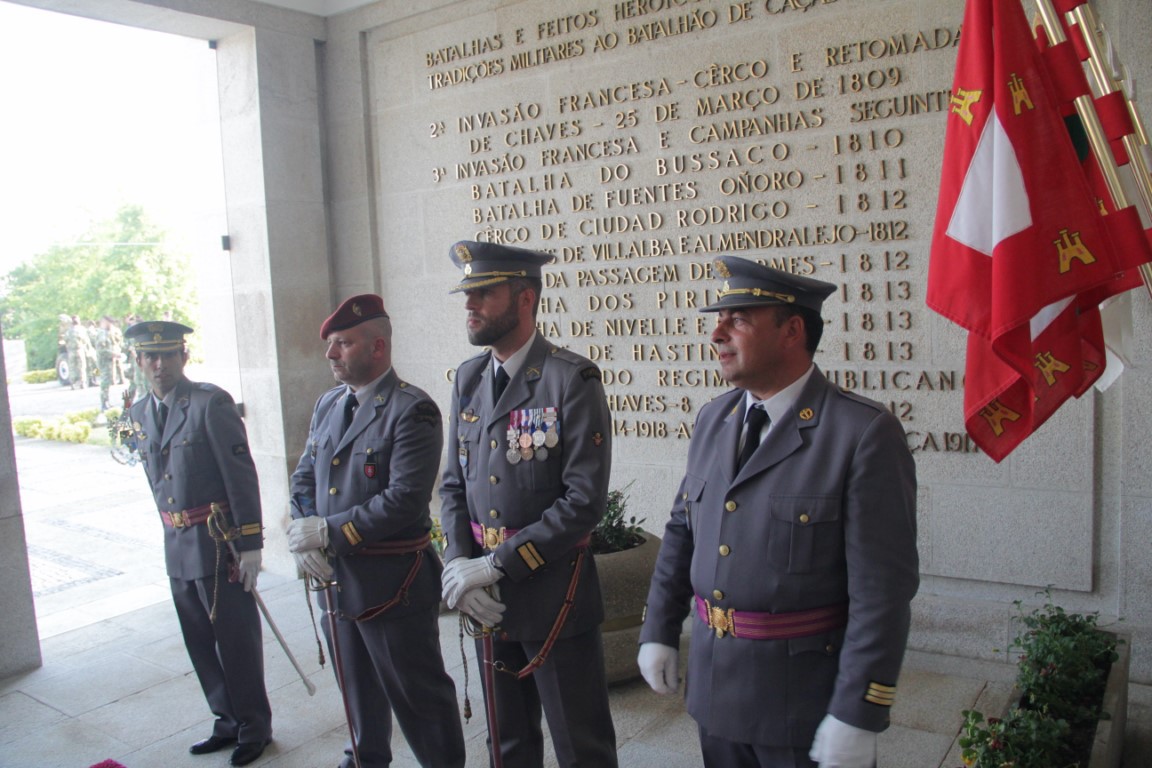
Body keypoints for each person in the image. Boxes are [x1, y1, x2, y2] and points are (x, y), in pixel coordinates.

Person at [637, 256, 919, 768]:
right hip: (715, 689)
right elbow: (682, 533)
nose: (717, 334)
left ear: (792, 330)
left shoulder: (860, 434)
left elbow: (883, 591)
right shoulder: (713, 418)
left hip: (802, 702)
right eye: (718, 321)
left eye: (739, 319)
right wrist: (658, 628)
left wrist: (859, 709)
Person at [439, 240, 619, 768]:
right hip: (483, 595)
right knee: (507, 744)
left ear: (525, 298)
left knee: (580, 744)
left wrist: (497, 564)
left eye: (483, 294)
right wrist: (457, 565)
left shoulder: (570, 378)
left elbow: (583, 501)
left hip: (551, 593)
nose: (469, 306)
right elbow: (452, 484)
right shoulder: (468, 379)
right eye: (466, 295)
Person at [287, 294, 465, 768]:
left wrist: (325, 532)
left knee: (417, 694)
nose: (330, 355)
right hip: (336, 578)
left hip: (393, 583)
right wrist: (302, 528)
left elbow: (405, 498)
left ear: (378, 347)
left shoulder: (412, 410)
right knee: (355, 687)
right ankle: (365, 759)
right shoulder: (329, 404)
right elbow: (305, 475)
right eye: (331, 345)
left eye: (342, 343)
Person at [124, 320, 272, 767]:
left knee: (235, 640)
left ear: (183, 357)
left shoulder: (210, 403)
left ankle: (254, 725)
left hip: (217, 544)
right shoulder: (137, 413)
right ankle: (225, 719)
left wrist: (249, 544)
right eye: (150, 357)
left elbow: (241, 475)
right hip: (177, 545)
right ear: (138, 362)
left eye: (168, 355)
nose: (159, 364)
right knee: (199, 642)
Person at [95, 316, 117, 411]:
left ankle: (106, 401)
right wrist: (114, 354)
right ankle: (104, 403)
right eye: (110, 323)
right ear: (105, 322)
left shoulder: (107, 333)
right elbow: (102, 350)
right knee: (104, 382)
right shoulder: (102, 334)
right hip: (104, 362)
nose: (111, 325)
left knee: (107, 382)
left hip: (108, 361)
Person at [64, 315, 90, 390]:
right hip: (80, 350)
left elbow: (66, 339)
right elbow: (86, 340)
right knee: (82, 367)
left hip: (71, 351)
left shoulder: (68, 331)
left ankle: (73, 384)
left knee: (72, 368)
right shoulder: (82, 329)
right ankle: (83, 383)